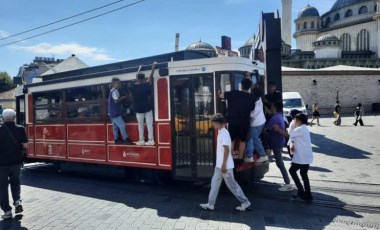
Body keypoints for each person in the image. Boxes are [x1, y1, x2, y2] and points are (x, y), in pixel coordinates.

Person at [200, 114, 251, 212]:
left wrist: (223, 165)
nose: (213, 125)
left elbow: (227, 150)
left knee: (232, 185)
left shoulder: (223, 133)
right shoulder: (221, 132)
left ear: (218, 123)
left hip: (225, 166)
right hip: (220, 165)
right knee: (214, 183)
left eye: (214, 123)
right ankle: (210, 204)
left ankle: (245, 202)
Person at [274, 113, 313, 202]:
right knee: (304, 175)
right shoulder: (303, 128)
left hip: (302, 158)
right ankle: (307, 194)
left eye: (295, 120)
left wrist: (284, 128)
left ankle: (302, 192)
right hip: (305, 157)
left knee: (292, 171)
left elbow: (288, 133)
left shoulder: (300, 128)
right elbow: (293, 137)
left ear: (299, 120)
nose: (294, 121)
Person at [218, 78, 256, 164]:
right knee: (243, 141)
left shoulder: (233, 93)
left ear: (241, 85)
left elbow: (221, 95)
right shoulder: (251, 97)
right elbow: (252, 108)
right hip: (244, 122)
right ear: (249, 87)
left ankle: (229, 158)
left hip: (232, 121)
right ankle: (240, 159)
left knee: (231, 140)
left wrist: (219, 92)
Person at [0, 109, 28, 219]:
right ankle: (17, 201)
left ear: (2, 118)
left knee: (2, 187)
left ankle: (7, 211)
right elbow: (25, 146)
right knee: (16, 182)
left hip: (1, 164)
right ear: (14, 117)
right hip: (16, 162)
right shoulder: (20, 129)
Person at [265, 102, 293, 192]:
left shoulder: (275, 118)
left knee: (280, 162)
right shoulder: (280, 116)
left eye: (272, 106)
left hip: (276, 143)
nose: (271, 108)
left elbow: (265, 129)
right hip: (279, 142)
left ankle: (288, 183)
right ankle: (288, 182)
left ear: (275, 108)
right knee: (279, 162)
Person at [129, 62, 157, 146]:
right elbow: (150, 78)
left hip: (138, 109)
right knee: (149, 124)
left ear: (137, 79)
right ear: (143, 79)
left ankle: (141, 140)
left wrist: (139, 69)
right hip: (147, 108)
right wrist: (152, 68)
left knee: (140, 125)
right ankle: (151, 140)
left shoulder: (133, 88)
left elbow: (136, 79)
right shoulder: (146, 86)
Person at [245, 85, 268, 163]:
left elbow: (252, 114)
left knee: (252, 139)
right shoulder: (259, 98)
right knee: (253, 139)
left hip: (256, 123)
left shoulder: (256, 104)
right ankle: (251, 156)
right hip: (261, 122)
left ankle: (261, 155)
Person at [108, 77, 133, 145]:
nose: (120, 84)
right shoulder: (114, 91)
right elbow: (116, 100)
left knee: (115, 127)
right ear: (115, 84)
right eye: (119, 83)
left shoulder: (111, 90)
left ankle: (116, 139)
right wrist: (123, 97)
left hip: (111, 112)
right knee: (122, 125)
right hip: (115, 112)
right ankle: (126, 139)